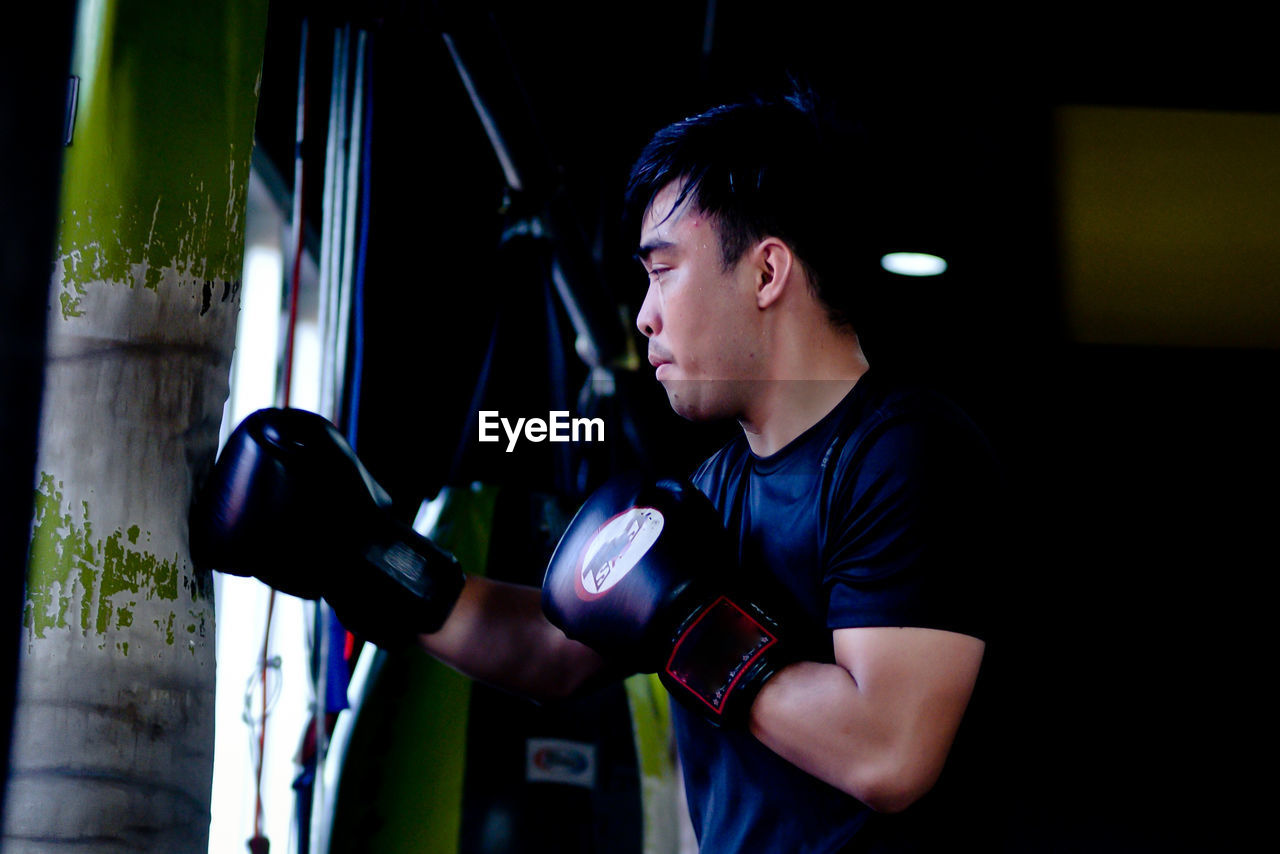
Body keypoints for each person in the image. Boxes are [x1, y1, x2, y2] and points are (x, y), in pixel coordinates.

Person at [193, 88, 1005, 853]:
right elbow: (555, 651)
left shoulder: (904, 453)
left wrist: (684, 624)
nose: (646, 314)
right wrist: (368, 555)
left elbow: (889, 753)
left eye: (662, 270)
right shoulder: (715, 490)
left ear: (766, 272)